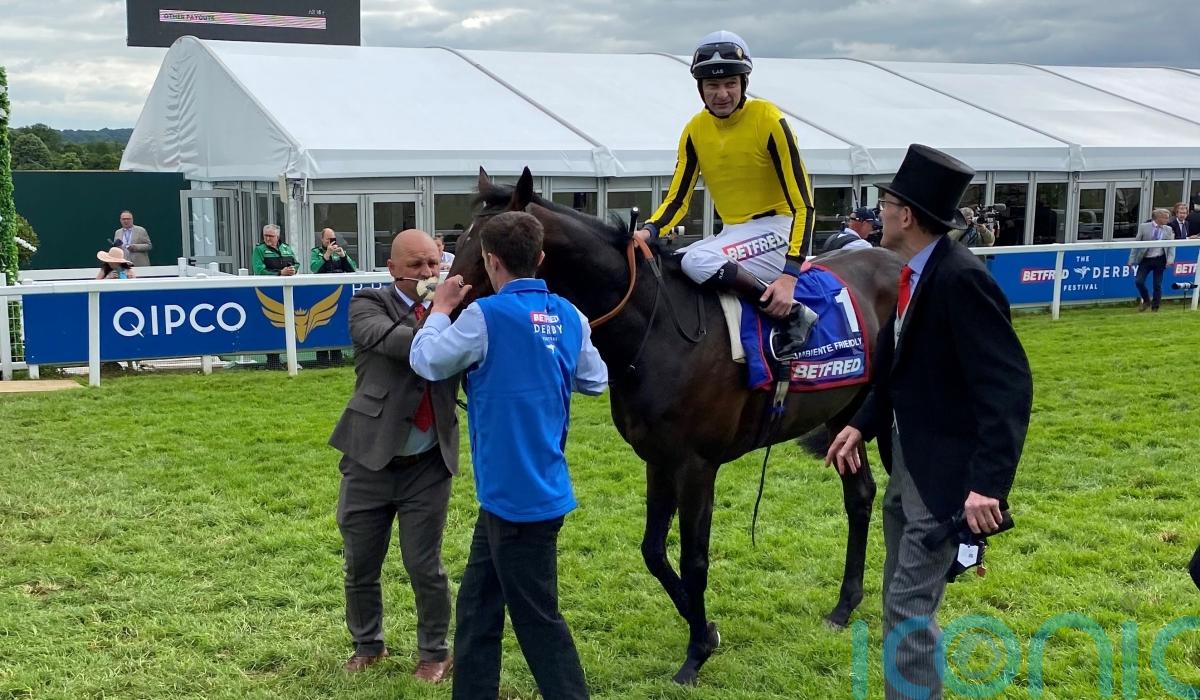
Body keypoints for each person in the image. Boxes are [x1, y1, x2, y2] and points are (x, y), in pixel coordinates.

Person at [825, 144, 1033, 700]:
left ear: (907, 216)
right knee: (901, 598)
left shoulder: (961, 279)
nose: (879, 214)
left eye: (886, 205)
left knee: (908, 606)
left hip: (942, 477)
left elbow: (1008, 387)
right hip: (907, 463)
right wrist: (860, 424)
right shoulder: (913, 274)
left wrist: (989, 485)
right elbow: (899, 371)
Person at [410, 211, 608, 700]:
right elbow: (595, 380)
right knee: (477, 604)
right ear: (539, 258)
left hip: (516, 495)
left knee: (538, 620)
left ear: (490, 261)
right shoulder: (570, 314)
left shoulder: (484, 315)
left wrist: (440, 309)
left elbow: (427, 360)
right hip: (525, 488)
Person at [327, 229, 460, 683]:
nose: (427, 273)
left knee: (425, 566)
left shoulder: (460, 311)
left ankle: (434, 653)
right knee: (361, 562)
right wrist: (441, 313)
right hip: (369, 457)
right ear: (392, 269)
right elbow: (401, 344)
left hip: (429, 462)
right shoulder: (368, 303)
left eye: (433, 264)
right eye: (416, 265)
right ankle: (368, 645)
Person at [634, 30, 817, 359]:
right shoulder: (694, 129)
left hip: (779, 231)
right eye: (712, 85)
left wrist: (790, 274)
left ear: (744, 83)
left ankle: (793, 314)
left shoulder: (769, 120)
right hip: (734, 233)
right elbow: (677, 199)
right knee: (672, 264)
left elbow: (803, 204)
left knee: (697, 260)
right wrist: (649, 231)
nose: (722, 94)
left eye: (730, 83)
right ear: (700, 88)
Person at [252, 224, 298, 370]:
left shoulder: (286, 248)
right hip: (268, 293)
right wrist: (279, 273)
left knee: (288, 325)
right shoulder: (259, 250)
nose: (267, 239)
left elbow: (296, 263)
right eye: (265, 236)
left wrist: (292, 270)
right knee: (271, 326)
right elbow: (259, 270)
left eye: (270, 236)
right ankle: (273, 361)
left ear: (277, 236)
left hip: (286, 293)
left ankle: (291, 359)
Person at [310, 228, 356, 367]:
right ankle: (322, 360)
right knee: (321, 326)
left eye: (333, 239)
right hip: (322, 295)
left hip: (338, 294)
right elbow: (314, 268)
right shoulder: (316, 252)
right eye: (328, 239)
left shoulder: (339, 251)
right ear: (322, 239)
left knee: (337, 324)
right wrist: (327, 255)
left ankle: (337, 358)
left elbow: (353, 269)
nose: (331, 242)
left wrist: (343, 256)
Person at [1128, 208, 1175, 312]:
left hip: (1160, 259)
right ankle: (1146, 300)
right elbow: (1135, 244)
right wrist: (1131, 260)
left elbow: (1171, 246)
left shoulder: (1168, 229)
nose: (1168, 220)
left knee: (1157, 285)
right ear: (1158, 218)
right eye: (1166, 218)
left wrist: (1170, 259)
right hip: (1146, 259)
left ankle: (1155, 307)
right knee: (1139, 281)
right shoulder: (1144, 227)